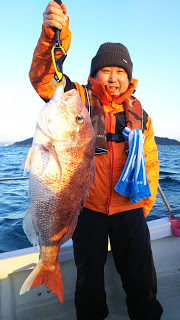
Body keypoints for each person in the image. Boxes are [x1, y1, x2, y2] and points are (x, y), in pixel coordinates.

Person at [29, 2, 163, 319]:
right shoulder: (77, 99)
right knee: (89, 284)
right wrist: (53, 32)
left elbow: (151, 160)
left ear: (128, 76)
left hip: (130, 209)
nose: (114, 77)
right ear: (94, 73)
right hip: (86, 210)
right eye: (107, 70)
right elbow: (44, 77)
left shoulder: (140, 115)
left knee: (142, 282)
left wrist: (144, 207)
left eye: (120, 71)